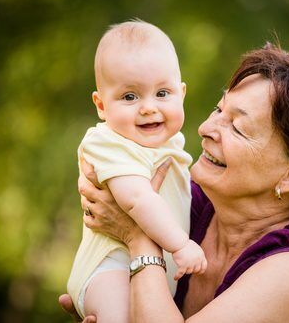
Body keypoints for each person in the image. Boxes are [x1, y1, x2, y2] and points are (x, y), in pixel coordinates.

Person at [61, 42, 289, 322]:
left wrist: (139, 238)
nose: (206, 128)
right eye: (219, 109)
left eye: (237, 128)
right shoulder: (188, 204)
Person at [66, 20, 207, 322]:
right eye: (130, 97)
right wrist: (181, 245)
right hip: (109, 270)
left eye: (162, 93)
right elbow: (137, 199)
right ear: (101, 105)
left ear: (181, 93)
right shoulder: (108, 142)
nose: (148, 107)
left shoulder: (170, 143)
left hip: (146, 271)